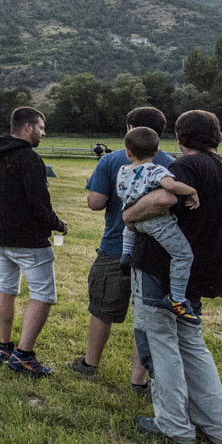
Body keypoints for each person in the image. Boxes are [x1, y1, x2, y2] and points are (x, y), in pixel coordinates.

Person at [125, 110, 222, 444]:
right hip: (201, 273)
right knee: (194, 346)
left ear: (180, 138)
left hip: (159, 268)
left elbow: (164, 197)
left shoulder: (183, 169)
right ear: (218, 137)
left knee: (161, 344)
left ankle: (173, 425)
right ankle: (219, 427)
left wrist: (129, 216)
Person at [72, 107, 169, 388]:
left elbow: (95, 203)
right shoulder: (171, 164)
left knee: (103, 308)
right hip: (155, 251)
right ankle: (139, 379)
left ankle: (90, 362)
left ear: (130, 128)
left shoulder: (111, 160)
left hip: (115, 247)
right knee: (146, 315)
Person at [0, 107, 66, 376]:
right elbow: (39, 202)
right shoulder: (28, 158)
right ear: (27, 127)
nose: (43, 133)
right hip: (28, 238)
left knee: (6, 287)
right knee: (43, 294)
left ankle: (4, 347)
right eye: (41, 127)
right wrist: (57, 225)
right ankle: (24, 356)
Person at [115, 126, 201, 320]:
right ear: (156, 152)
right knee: (183, 255)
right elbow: (170, 185)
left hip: (133, 222)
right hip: (156, 222)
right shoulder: (154, 169)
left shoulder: (122, 171)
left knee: (129, 229)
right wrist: (191, 191)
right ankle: (177, 299)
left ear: (128, 152)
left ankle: (126, 254)